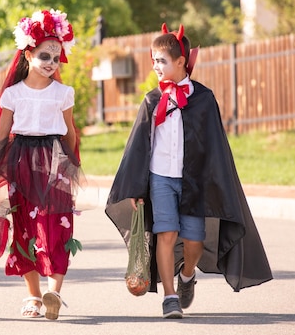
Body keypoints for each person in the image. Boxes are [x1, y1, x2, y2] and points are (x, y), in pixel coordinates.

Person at [105, 24, 272, 319]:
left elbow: (216, 148)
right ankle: (170, 297)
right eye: (154, 60)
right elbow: (138, 148)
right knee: (166, 234)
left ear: (181, 62)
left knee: (194, 241)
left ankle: (187, 275)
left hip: (193, 181)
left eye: (162, 61)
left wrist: (216, 184)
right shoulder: (152, 100)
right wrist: (137, 188)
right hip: (160, 178)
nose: (156, 66)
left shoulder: (203, 99)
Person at [0, 9, 81, 320]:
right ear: (29, 53)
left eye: (56, 57)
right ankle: (34, 295)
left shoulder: (64, 93)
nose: (51, 62)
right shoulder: (13, 94)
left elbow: (70, 131)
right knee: (25, 228)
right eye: (45, 55)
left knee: (58, 225)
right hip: (21, 162)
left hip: (55, 162)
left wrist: (72, 165)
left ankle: (54, 293)